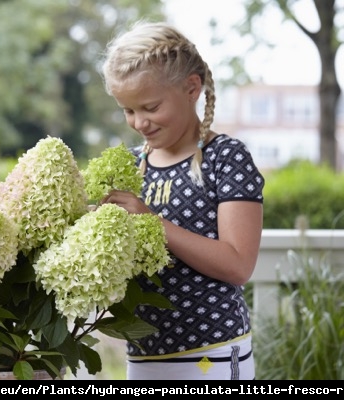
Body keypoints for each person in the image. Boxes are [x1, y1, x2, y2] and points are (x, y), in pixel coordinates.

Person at [99, 20, 265, 380]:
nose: (139, 122)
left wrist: (152, 221)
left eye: (150, 107)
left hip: (214, 354)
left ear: (192, 88)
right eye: (128, 110)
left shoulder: (226, 158)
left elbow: (238, 265)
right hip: (143, 356)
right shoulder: (130, 166)